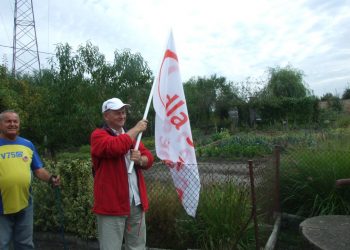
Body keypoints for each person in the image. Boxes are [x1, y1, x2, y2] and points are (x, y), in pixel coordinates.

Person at [91, 97, 154, 250]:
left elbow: (149, 159)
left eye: (124, 112)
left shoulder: (131, 138)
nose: (122, 116)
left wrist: (140, 159)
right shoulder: (98, 136)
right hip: (111, 205)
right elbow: (115, 147)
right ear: (106, 116)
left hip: (136, 203)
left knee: (138, 247)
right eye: (117, 113)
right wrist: (137, 129)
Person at [0, 110, 61, 250]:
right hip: (1, 207)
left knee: (25, 245)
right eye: (8, 121)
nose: (12, 124)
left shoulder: (27, 145)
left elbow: (38, 170)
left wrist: (51, 179)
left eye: (15, 121)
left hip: (25, 203)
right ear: (0, 124)